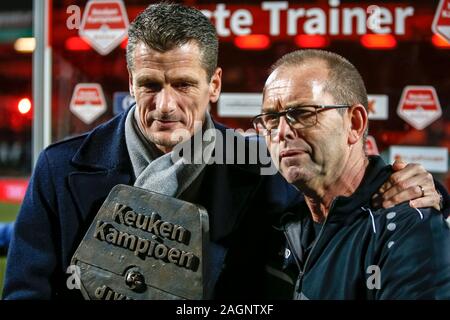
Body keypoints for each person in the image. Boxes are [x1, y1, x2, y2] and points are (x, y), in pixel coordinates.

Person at [3, 3, 445, 300]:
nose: (165, 105)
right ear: (131, 82)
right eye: (150, 86)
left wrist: (429, 190)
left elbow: (340, 197)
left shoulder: (260, 165)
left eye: (183, 85)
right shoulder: (61, 169)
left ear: (214, 85)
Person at [253, 49, 450, 299]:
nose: (281, 132)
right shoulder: (279, 218)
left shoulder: (407, 227)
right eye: (271, 118)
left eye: (301, 113)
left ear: (354, 124)